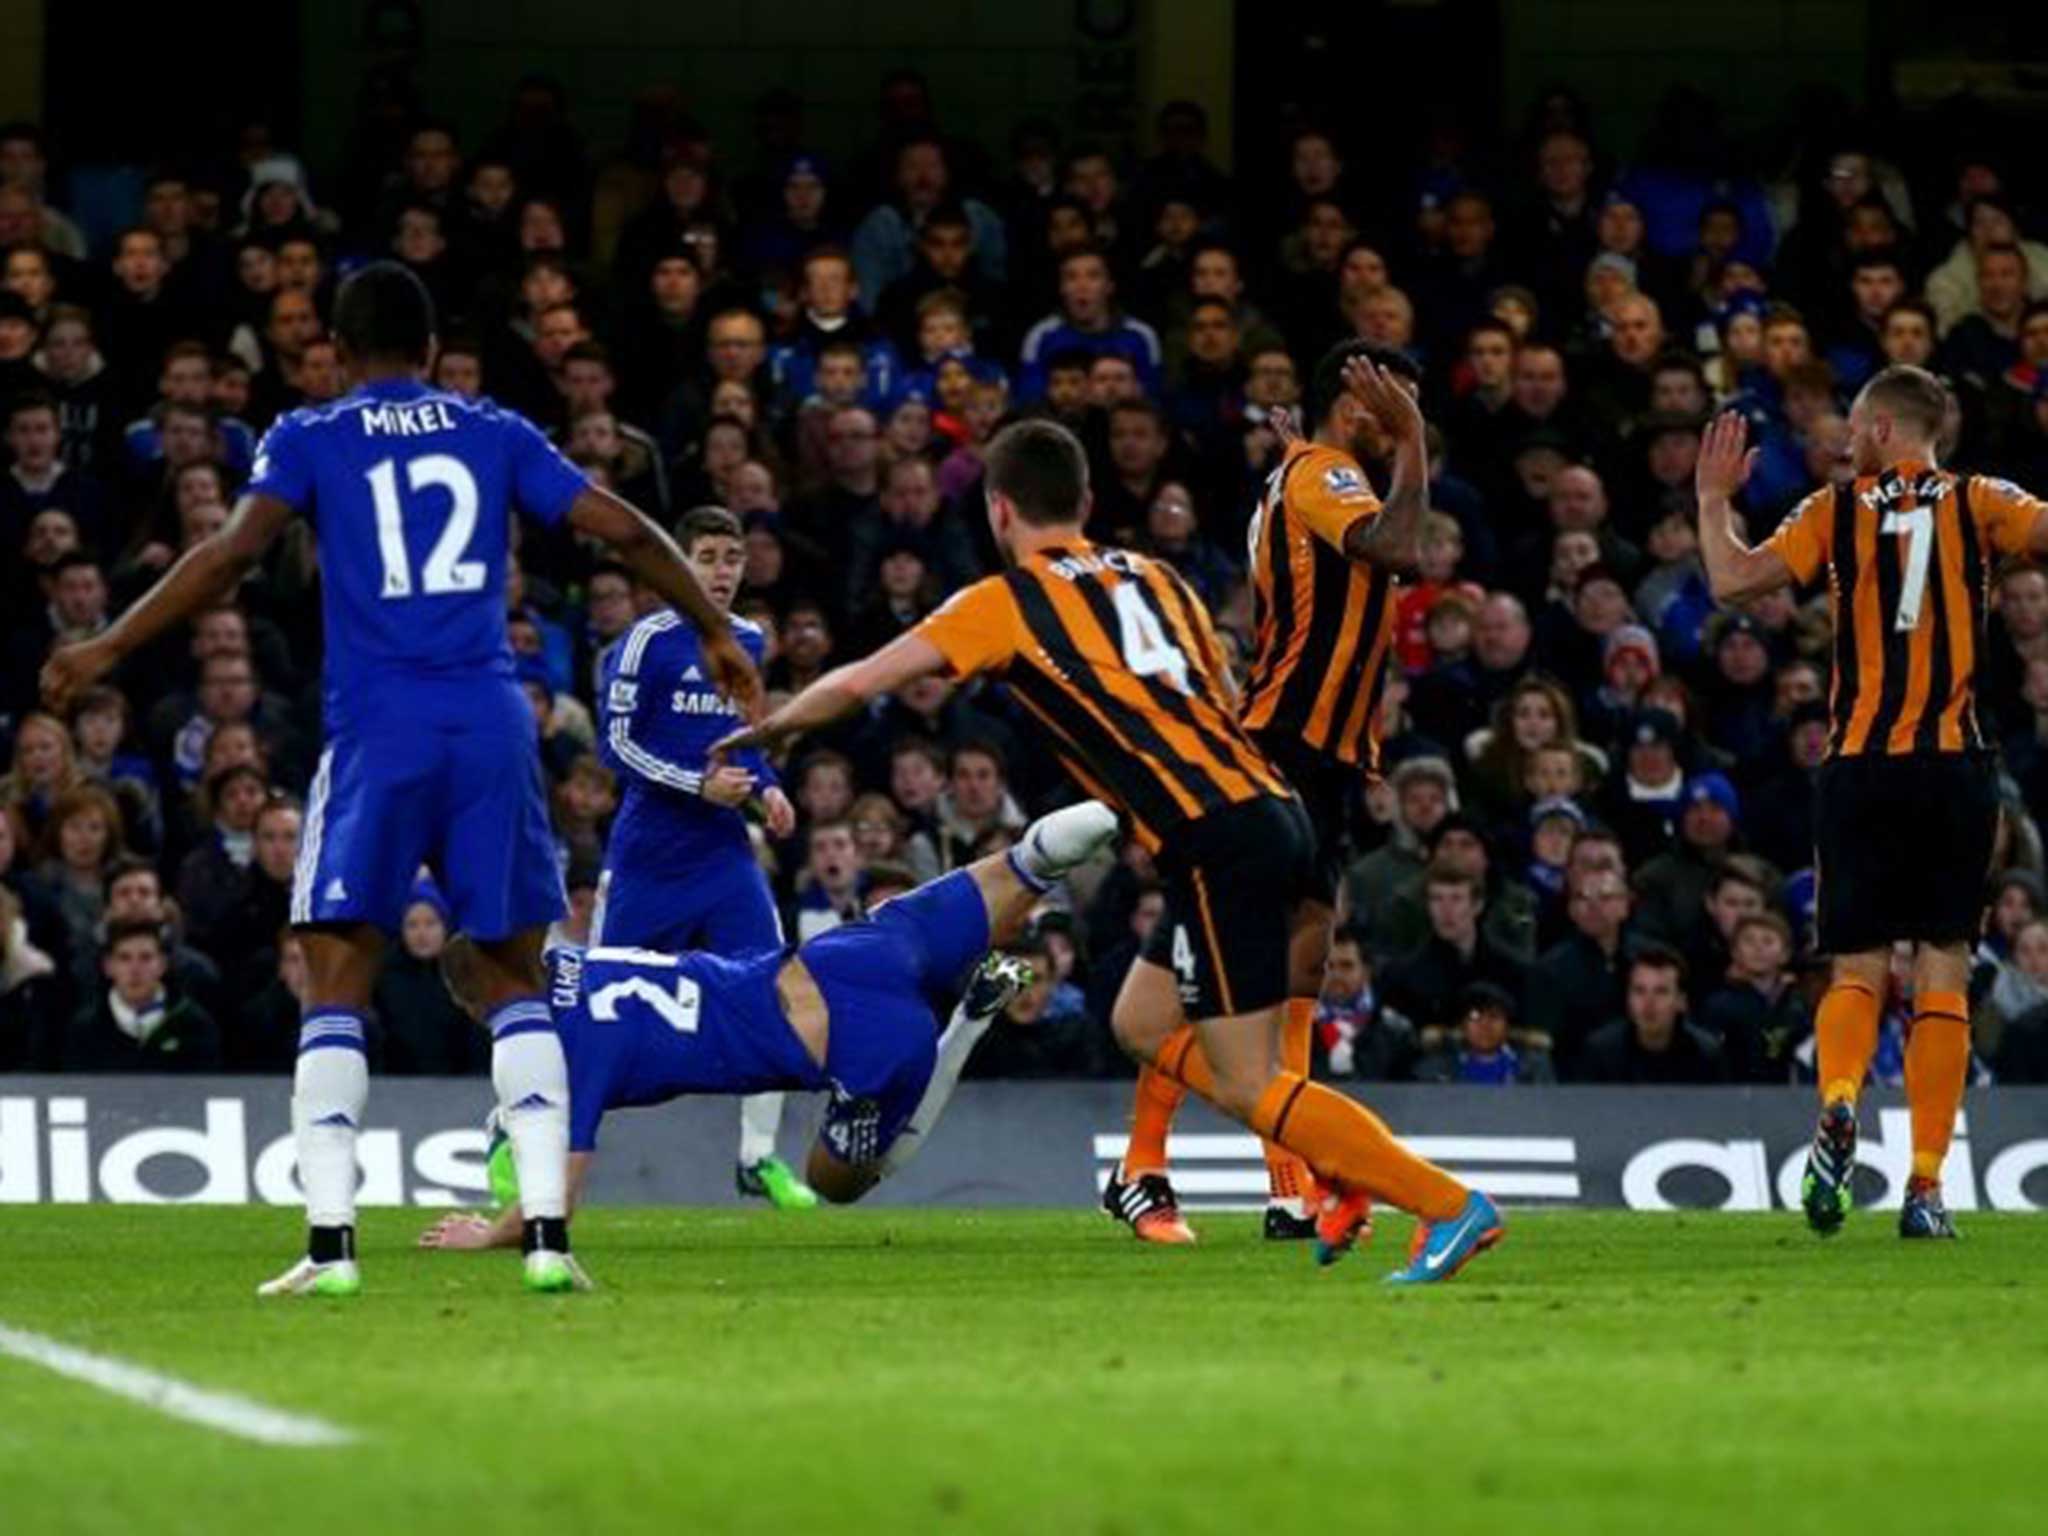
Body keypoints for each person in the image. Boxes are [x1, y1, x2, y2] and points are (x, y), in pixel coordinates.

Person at [41, 261, 761, 1298]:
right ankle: (550, 1242)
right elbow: (622, 528)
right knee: (517, 979)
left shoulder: (308, 435)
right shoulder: (496, 429)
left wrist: (107, 646)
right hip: (490, 728)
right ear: (429, 355)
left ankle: (331, 1249)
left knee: (336, 977)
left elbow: (229, 555)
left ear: (335, 351)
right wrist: (709, 628)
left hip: (379, 730)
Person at [716, 417, 1501, 1286]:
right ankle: (1341, 1159)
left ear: (998, 509)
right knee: (1139, 1020)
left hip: (1216, 836)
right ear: (1086, 502)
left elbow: (862, 680)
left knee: (1247, 1080)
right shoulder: (1163, 578)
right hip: (1265, 807)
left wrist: (775, 726)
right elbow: (1223, 696)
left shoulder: (1005, 601)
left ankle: (1443, 1203)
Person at [419, 803, 1115, 1249]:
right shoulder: (571, 955)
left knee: (844, 1183)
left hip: (857, 1048)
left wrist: (486, 1237)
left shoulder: (561, 1054)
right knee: (1023, 861)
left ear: (478, 1009)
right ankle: (1125, 808)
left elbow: (555, 1205)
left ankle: (966, 1022)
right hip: (851, 953)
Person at [1695, 365, 2048, 1238]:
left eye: (1854, 428)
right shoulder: (1982, 500)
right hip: (1954, 765)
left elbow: (1734, 582)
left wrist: (1711, 499)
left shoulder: (1832, 510)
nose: (1844, 442)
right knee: (1942, 971)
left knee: (1855, 967)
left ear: (1887, 431)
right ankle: (1925, 1187)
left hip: (1859, 764)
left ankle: (1841, 1102)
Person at [1110, 342, 1429, 1242]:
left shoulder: (1314, 471)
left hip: (1325, 757)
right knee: (1210, 980)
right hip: (1281, 746)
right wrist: (1414, 447)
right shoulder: (1327, 475)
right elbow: (1400, 548)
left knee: (1295, 974)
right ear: (1351, 403)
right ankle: (1143, 1166)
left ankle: (1291, 1189)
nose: (1404, 414)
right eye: (1390, 400)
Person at [594, 505, 812, 1208]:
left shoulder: (749, 639)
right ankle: (513, 1132)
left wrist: (769, 792)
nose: (721, 572)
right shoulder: (645, 642)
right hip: (649, 860)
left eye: (731, 558)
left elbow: (747, 737)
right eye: (708, 557)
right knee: (594, 1008)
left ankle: (757, 1158)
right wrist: (698, 784)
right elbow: (615, 746)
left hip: (724, 860)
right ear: (679, 563)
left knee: (777, 990)